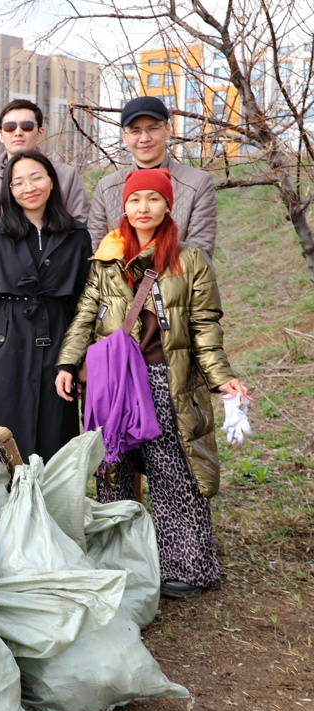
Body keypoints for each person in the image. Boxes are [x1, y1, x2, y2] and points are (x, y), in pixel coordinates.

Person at [55, 168, 247, 598]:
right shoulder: (107, 258)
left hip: (164, 379)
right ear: (124, 206)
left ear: (167, 205)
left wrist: (222, 379)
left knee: (172, 471)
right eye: (135, 199)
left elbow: (205, 326)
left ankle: (188, 567)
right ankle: (121, 562)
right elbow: (85, 315)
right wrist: (67, 363)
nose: (143, 207)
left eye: (153, 199)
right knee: (113, 469)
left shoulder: (190, 260)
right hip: (112, 382)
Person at [0, 150, 91, 462]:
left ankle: (48, 492)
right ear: (9, 190)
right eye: (18, 182)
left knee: (53, 436)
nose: (28, 188)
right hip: (5, 343)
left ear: (51, 181)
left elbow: (84, 303)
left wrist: (78, 359)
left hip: (58, 343)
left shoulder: (76, 235)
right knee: (1, 438)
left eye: (36, 178)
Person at [0, 99, 89, 260]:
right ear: (1, 135)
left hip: (54, 269)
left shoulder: (66, 176)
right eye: (10, 127)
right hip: (1, 271)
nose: (18, 132)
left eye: (27, 126)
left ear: (40, 132)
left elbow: (80, 231)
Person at [88, 96, 217, 255]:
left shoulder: (197, 183)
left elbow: (199, 253)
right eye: (135, 131)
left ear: (167, 130)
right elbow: (95, 249)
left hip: (178, 270)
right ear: (124, 137)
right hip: (117, 271)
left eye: (153, 128)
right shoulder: (107, 187)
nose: (144, 138)